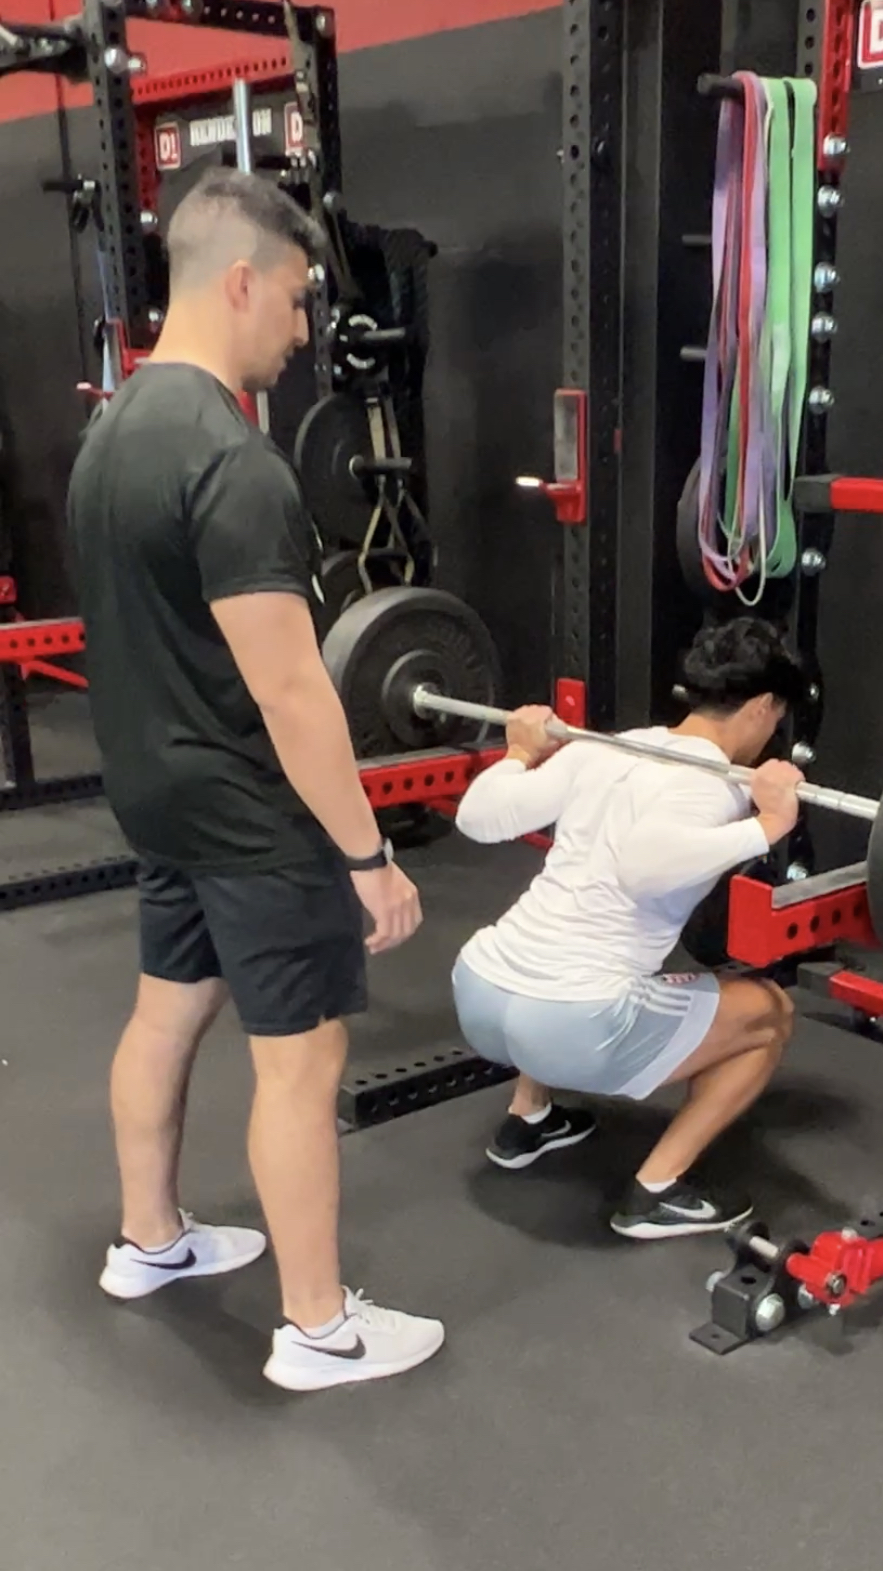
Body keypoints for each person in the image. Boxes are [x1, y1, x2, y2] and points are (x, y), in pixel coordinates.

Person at [66, 168, 444, 1392]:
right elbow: (291, 690)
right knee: (303, 1055)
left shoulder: (109, 435)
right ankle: (320, 1325)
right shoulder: (234, 462)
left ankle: (151, 1239)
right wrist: (367, 856)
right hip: (244, 804)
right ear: (239, 282)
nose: (302, 329)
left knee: (168, 1006)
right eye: (292, 298)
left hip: (154, 787)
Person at [451, 616, 806, 1239]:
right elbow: (646, 869)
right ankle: (656, 1192)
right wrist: (769, 824)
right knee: (770, 1013)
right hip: (572, 1024)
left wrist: (518, 754)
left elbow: (478, 816)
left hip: (480, 990)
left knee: (574, 939)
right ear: (761, 707)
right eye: (776, 718)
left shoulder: (607, 746)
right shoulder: (713, 785)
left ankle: (527, 1120)